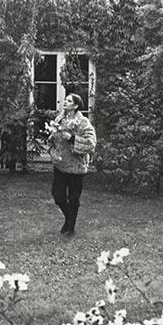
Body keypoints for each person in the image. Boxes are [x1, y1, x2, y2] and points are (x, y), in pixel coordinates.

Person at [48, 93, 96, 236]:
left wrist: (72, 138)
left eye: (69, 101)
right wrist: (53, 152)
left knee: (73, 198)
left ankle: (71, 228)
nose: (65, 102)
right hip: (60, 164)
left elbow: (91, 144)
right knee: (58, 196)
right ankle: (69, 219)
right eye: (65, 100)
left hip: (76, 167)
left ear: (75, 105)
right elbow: (52, 140)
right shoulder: (59, 120)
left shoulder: (83, 122)